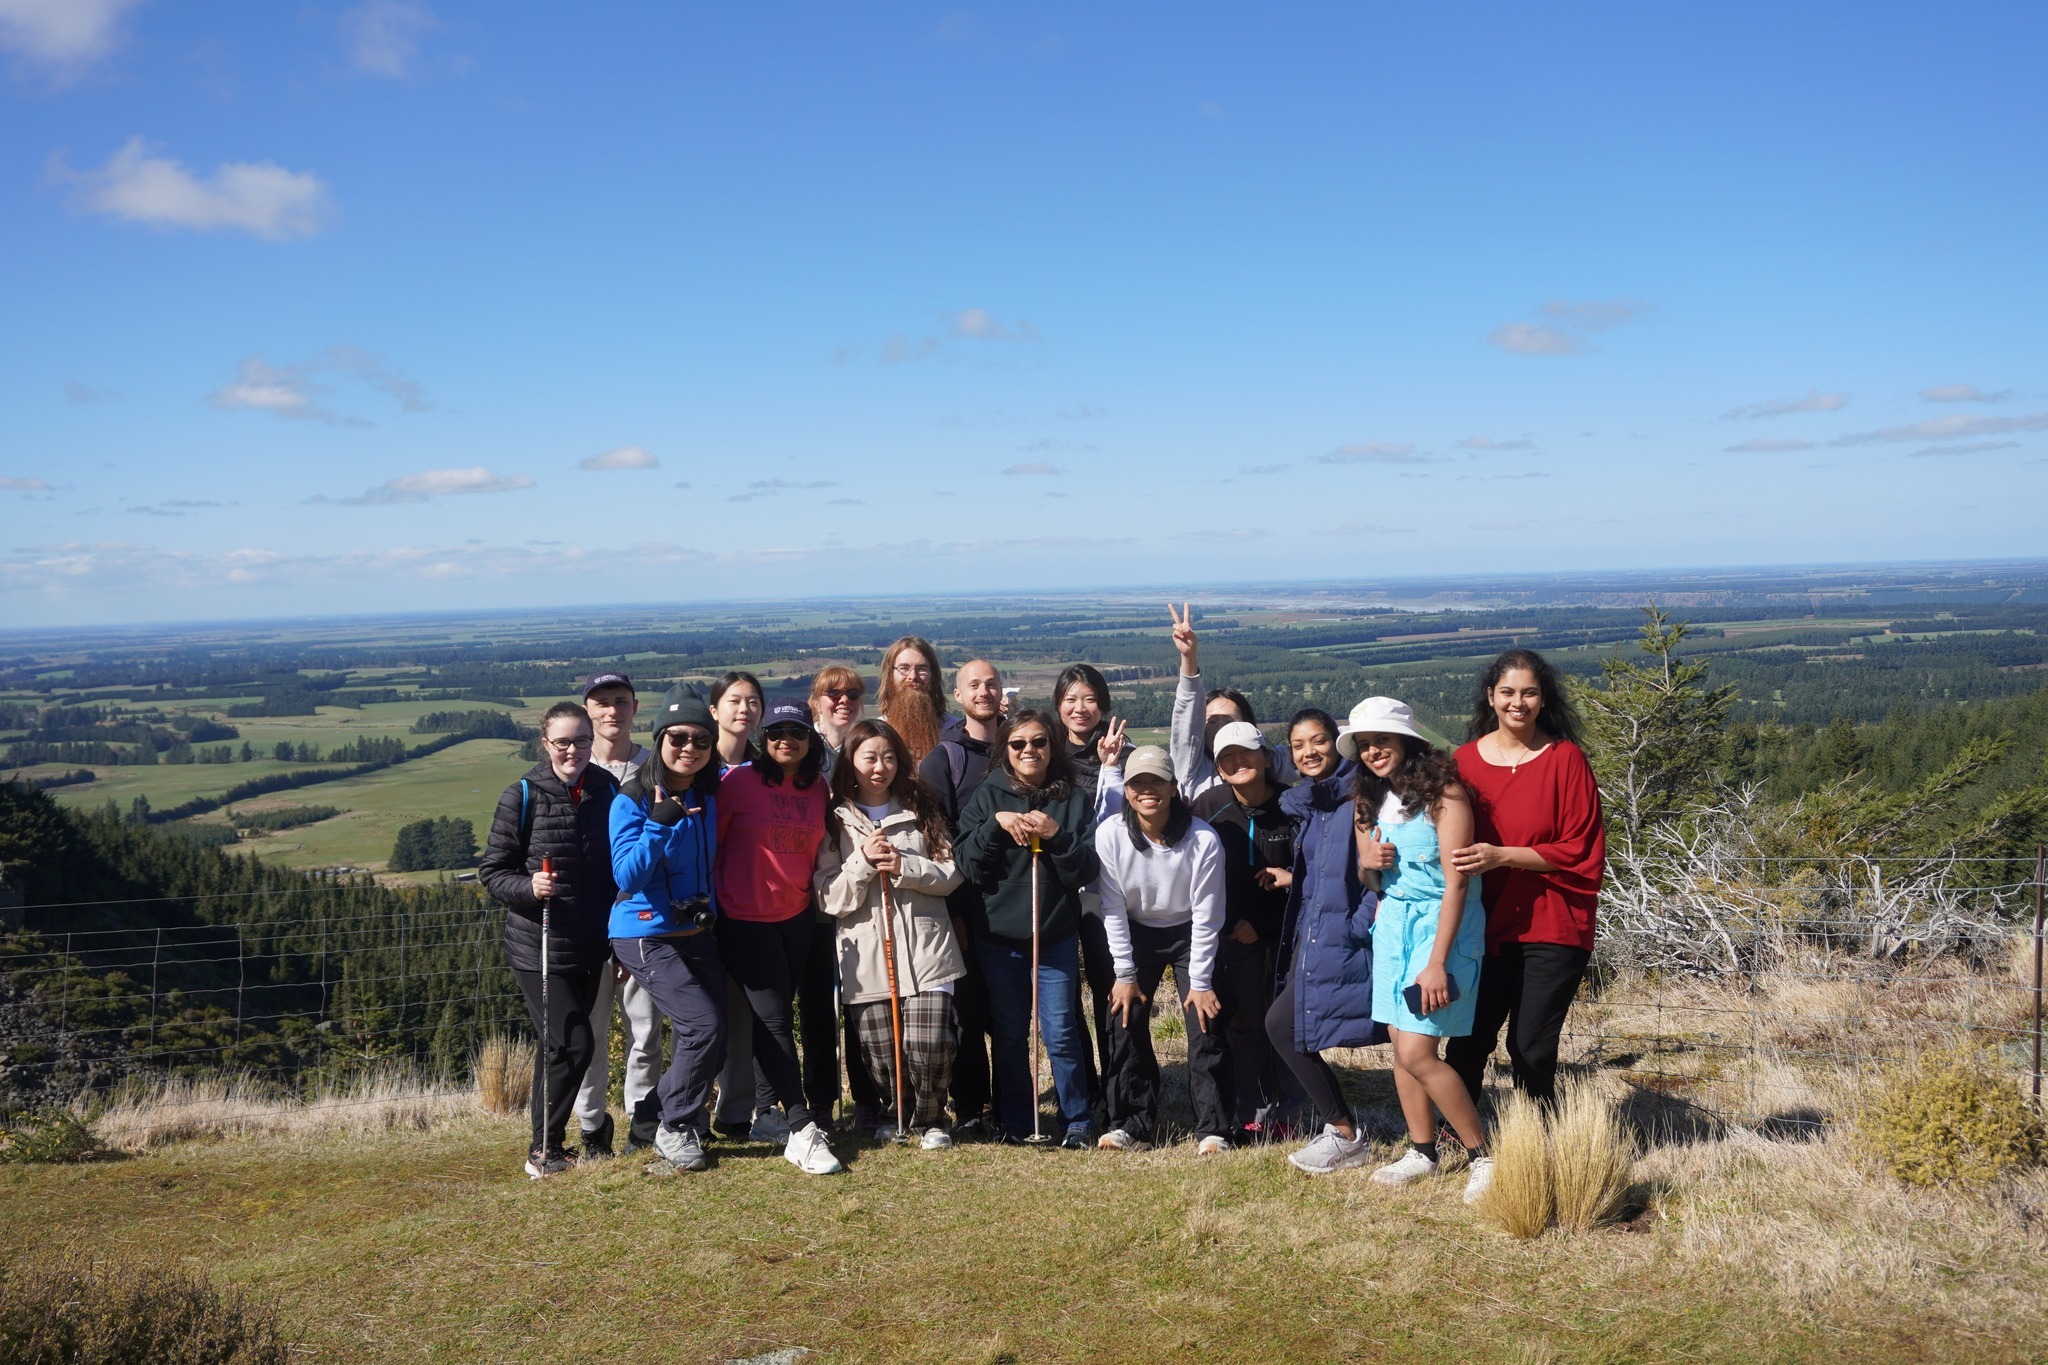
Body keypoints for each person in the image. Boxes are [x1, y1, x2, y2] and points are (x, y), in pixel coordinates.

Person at [1342, 698, 1493, 1202]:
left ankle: (1482, 1156)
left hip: (1440, 928)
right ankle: (1422, 1150)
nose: (1372, 752)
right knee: (1399, 1045)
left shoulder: (1445, 795)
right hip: (1393, 926)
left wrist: (1436, 962)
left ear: (1408, 741)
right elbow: (1371, 879)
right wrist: (1367, 861)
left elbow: (1457, 885)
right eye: (1364, 745)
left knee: (1417, 1049)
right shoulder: (1367, 801)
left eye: (1381, 741)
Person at [1446, 650, 1606, 1111]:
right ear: (1490, 697)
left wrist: (1502, 856)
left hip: (1554, 922)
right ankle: (1461, 1139)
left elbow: (1581, 848)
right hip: (1482, 925)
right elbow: (1432, 833)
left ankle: (1539, 1141)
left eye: (1529, 692)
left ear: (1543, 698)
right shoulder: (1462, 763)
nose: (1519, 702)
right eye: (1508, 692)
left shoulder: (1565, 759)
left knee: (1530, 1046)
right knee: (1468, 1042)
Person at [480, 702, 620, 1177]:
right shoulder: (521, 795)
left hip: (590, 944)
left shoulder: (606, 789)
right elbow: (493, 872)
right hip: (538, 948)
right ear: (546, 744)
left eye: (582, 740)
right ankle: (542, 1151)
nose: (573, 750)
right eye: (563, 741)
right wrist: (528, 887)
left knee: (555, 1047)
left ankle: (548, 1147)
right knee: (575, 1044)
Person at [814, 719, 967, 1149]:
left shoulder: (921, 806)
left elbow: (951, 873)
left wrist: (905, 867)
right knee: (881, 1056)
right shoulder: (834, 817)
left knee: (930, 1044)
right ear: (851, 762)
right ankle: (895, 1113)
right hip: (866, 953)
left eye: (888, 757)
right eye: (869, 757)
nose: (879, 767)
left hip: (927, 947)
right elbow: (829, 897)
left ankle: (933, 1119)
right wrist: (862, 861)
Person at [955, 707, 1101, 1147]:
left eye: (1039, 742)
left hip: (1053, 934)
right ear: (1005, 750)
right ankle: (1016, 1120)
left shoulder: (1073, 798)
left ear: (1051, 746)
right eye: (1018, 744)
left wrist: (1056, 835)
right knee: (1010, 1033)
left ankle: (1076, 1119)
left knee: (1060, 1031)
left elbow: (1087, 869)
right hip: (999, 937)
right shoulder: (986, 796)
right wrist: (995, 826)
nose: (1029, 751)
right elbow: (968, 866)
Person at [715, 699, 843, 1175]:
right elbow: (714, 843)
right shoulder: (739, 782)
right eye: (774, 733)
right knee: (773, 1022)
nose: (785, 739)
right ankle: (801, 1126)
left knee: (776, 1020)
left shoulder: (817, 789)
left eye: (796, 732)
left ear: (811, 740)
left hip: (796, 918)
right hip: (744, 919)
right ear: (762, 740)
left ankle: (766, 1114)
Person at [1267, 703, 1390, 1175]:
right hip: (1313, 934)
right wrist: (1291, 882)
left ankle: (1351, 1134)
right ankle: (1343, 1132)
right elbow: (1325, 869)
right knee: (1287, 1025)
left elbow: (1375, 874)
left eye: (1317, 740)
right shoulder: (1315, 803)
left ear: (1336, 742)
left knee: (1283, 1025)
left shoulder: (1360, 797)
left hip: (1341, 936)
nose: (1308, 751)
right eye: (1298, 745)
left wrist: (1358, 927)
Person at [609, 685, 727, 1173]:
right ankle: (675, 1128)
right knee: (703, 1026)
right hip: (644, 931)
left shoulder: (708, 791)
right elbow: (627, 877)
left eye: (702, 739)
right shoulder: (632, 797)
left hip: (695, 928)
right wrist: (659, 824)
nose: (689, 747)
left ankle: (655, 1119)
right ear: (659, 739)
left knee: (713, 1033)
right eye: (677, 737)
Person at [1094, 746, 1231, 1154]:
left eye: (1157, 781)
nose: (1147, 790)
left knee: (1205, 1021)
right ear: (1127, 791)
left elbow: (1208, 914)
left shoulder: (1203, 838)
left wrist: (1202, 981)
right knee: (1124, 1016)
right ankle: (1130, 1123)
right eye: (1137, 783)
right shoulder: (1110, 835)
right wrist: (1124, 975)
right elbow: (1112, 908)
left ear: (1174, 787)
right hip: (1135, 930)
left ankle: (1214, 1128)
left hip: (1191, 932)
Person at [1191, 719, 1296, 1138]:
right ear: (1217, 767)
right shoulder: (1207, 806)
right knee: (1248, 1023)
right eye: (1226, 758)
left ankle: (1289, 1110)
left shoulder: (1294, 806)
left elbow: (1310, 874)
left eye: (1246, 754)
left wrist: (1264, 923)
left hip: (1285, 934)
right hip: (1228, 938)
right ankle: (1254, 1111)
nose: (1238, 762)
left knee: (1285, 1025)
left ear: (1266, 758)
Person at [572, 670, 663, 1156]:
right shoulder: (574, 772)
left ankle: (641, 1122)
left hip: (644, 921)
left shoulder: (656, 768)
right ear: (588, 710)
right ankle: (592, 1127)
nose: (612, 711)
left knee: (645, 1029)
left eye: (621, 701)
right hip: (588, 925)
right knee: (591, 1031)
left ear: (634, 707)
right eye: (602, 702)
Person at [918, 658, 1006, 1138]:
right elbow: (938, 839)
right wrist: (953, 916)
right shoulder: (943, 759)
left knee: (1009, 1012)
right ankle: (972, 1106)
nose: (984, 691)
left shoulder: (1021, 745)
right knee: (968, 1013)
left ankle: (1011, 1101)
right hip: (967, 904)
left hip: (1016, 903)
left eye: (991, 684)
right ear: (958, 696)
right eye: (974, 685)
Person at [802, 662, 883, 1131]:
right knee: (816, 1006)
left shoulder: (869, 745)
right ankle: (821, 1104)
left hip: (861, 896)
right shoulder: (799, 746)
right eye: (832, 693)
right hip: (809, 896)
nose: (843, 699)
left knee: (860, 1000)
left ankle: (869, 1101)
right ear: (816, 701)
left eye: (852, 691)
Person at [1051, 662, 1129, 1102]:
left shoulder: (1124, 751)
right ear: (1058, 705)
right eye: (1070, 699)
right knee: (1062, 993)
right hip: (1060, 886)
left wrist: (1113, 765)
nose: (1080, 708)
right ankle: (1083, 1086)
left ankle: (1119, 1084)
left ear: (1103, 703)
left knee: (1109, 987)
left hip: (1106, 890)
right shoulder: (1046, 755)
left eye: (1089, 699)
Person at [706, 669, 779, 1138]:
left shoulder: (764, 771)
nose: (744, 709)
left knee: (740, 1014)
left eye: (753, 701)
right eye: (735, 700)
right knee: (700, 1020)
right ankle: (673, 1116)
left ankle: (734, 1112)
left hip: (747, 906)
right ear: (714, 709)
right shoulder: (692, 761)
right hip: (697, 908)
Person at [1166, 602, 1298, 803]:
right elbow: (1186, 721)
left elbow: (1314, 749)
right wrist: (1188, 657)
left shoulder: (1267, 761)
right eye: (1212, 722)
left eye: (1229, 721)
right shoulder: (1191, 767)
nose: (1220, 729)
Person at [875, 635, 946, 762]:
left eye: (922, 669)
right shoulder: (877, 732)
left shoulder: (952, 730)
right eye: (904, 668)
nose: (913, 676)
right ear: (890, 675)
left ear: (933, 676)